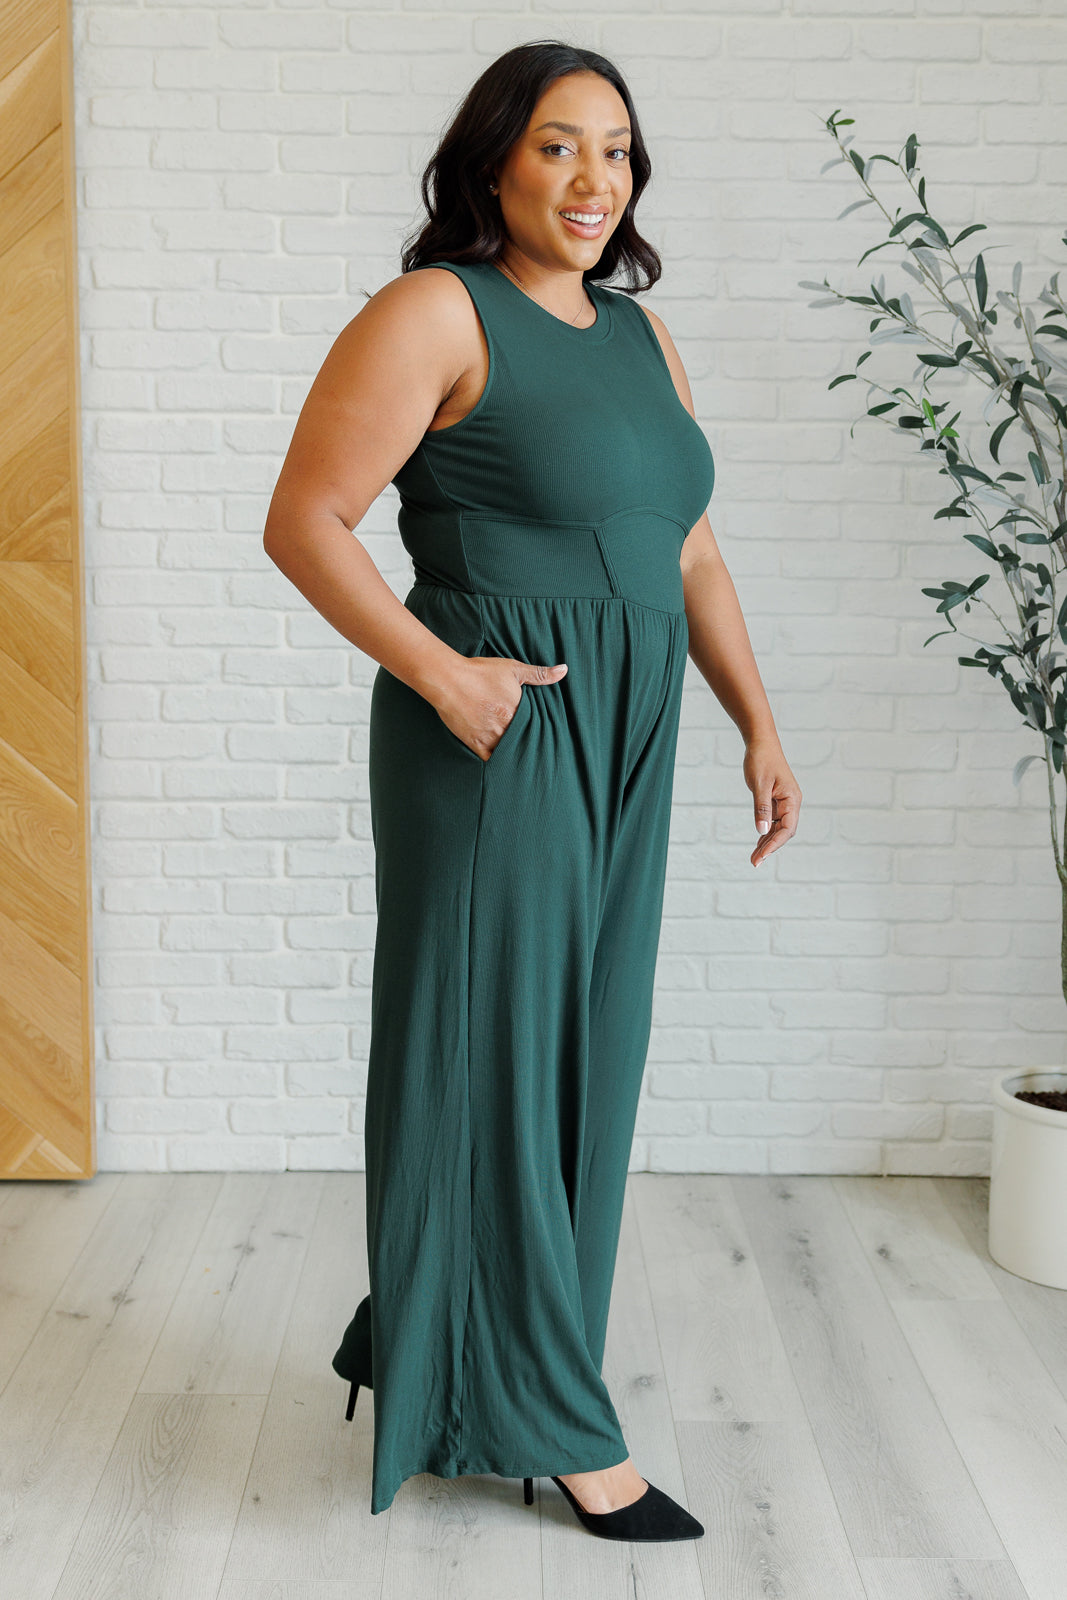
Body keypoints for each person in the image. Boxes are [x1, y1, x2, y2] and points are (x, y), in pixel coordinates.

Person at [263, 40, 801, 1541]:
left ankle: (436, 1340)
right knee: (489, 1057)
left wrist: (757, 723)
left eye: (616, 151)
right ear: (494, 159)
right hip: (504, 733)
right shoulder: (438, 311)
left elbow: (688, 547)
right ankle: (557, 1421)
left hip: (636, 733)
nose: (592, 179)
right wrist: (448, 678)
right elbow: (305, 520)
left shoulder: (643, 337)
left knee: (586, 1060)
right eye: (560, 145)